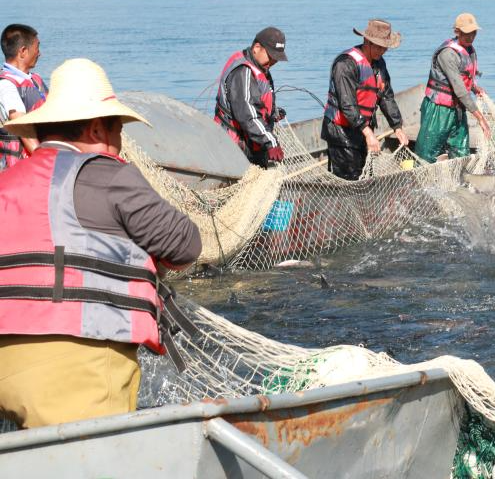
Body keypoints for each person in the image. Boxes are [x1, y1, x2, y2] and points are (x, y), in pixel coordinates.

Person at [0, 58, 201, 429]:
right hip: (75, 359)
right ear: (96, 128)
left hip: (5, 359)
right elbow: (185, 244)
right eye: (118, 130)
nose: (120, 144)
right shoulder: (109, 175)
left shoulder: (8, 180)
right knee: (94, 456)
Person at [321, 19, 409, 179]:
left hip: (362, 129)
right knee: (350, 179)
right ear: (367, 41)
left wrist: (397, 126)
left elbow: (386, 96)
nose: (382, 51)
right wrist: (368, 133)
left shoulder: (379, 64)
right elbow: (347, 105)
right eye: (379, 46)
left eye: (385, 47)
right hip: (341, 132)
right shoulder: (345, 64)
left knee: (366, 175)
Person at [417, 13, 493, 162]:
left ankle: (460, 175)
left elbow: (464, 77)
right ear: (457, 32)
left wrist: (474, 88)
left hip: (457, 109)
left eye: (473, 33)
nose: (471, 37)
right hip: (438, 110)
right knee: (427, 153)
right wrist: (480, 118)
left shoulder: (469, 50)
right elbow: (459, 89)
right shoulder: (447, 54)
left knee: (461, 152)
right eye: (467, 33)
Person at [213, 27, 287, 168]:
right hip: (237, 149)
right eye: (271, 56)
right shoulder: (243, 72)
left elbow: (257, 102)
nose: (273, 61)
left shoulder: (260, 66)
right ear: (257, 48)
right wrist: (271, 142)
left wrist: (273, 113)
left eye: (276, 58)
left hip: (254, 144)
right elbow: (247, 114)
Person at [0, 23, 48, 171]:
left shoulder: (35, 79)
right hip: (22, 169)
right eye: (37, 48)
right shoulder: (6, 85)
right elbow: (21, 125)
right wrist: (44, 161)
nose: (39, 53)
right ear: (23, 51)